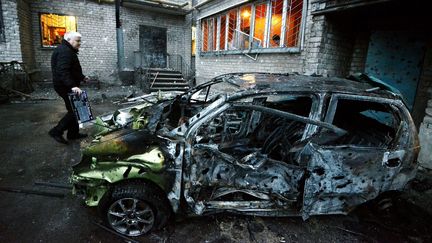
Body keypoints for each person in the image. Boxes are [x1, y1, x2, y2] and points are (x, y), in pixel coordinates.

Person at [49, 31, 89, 144]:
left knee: (74, 109)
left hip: (66, 85)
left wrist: (82, 77)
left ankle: (73, 134)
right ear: (69, 40)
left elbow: (72, 70)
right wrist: (72, 86)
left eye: (79, 40)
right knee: (74, 110)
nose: (79, 43)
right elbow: (63, 71)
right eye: (77, 40)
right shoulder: (64, 51)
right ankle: (56, 131)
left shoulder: (67, 50)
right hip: (65, 86)